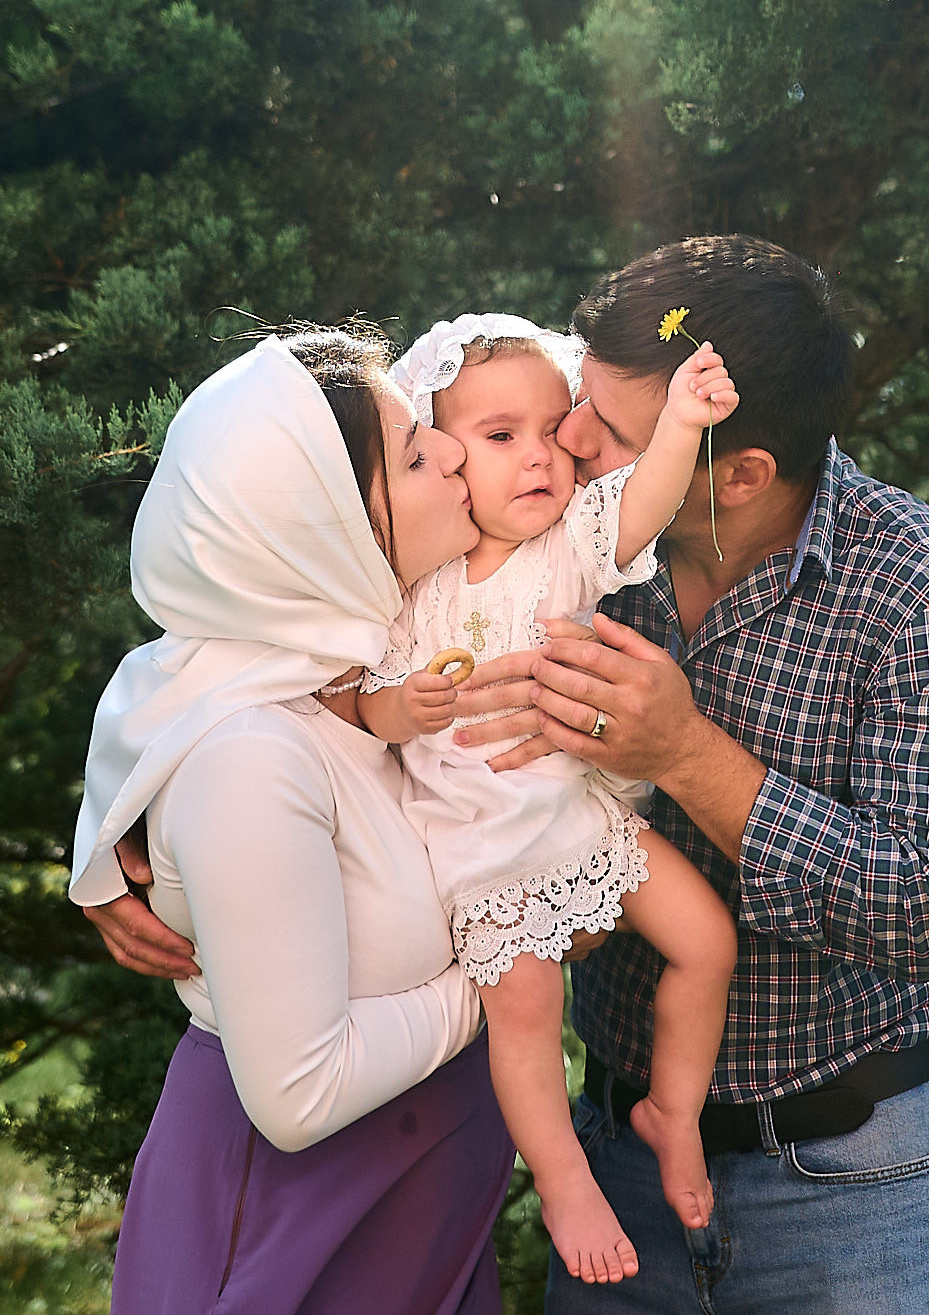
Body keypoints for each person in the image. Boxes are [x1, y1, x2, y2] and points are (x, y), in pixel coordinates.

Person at [453, 235, 929, 1312]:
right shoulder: (549, 536)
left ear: (742, 472)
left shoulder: (922, 586)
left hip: (855, 1184)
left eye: (609, 429)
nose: (566, 438)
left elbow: (923, 909)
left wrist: (683, 753)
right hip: (615, 1172)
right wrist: (142, 841)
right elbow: (325, 613)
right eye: (578, 393)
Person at [67, 329, 528, 1315]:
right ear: (326, 532)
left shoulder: (365, 681)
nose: (456, 449)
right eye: (415, 456)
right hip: (292, 1244)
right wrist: (515, 971)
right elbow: (298, 1092)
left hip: (412, 1230)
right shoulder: (252, 755)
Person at [355, 315, 738, 1285]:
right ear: (443, 460)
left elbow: (643, 500)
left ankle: (673, 1111)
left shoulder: (568, 543)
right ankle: (565, 1180)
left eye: (549, 430)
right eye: (499, 437)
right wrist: (403, 706)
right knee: (524, 1012)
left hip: (586, 825)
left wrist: (681, 423)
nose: (538, 456)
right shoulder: (414, 587)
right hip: (483, 853)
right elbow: (365, 705)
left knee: (706, 938)